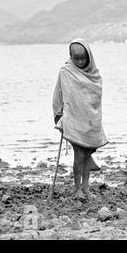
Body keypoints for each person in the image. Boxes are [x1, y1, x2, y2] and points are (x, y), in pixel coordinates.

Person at [52, 38, 108, 199]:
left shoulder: (94, 75)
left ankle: (86, 187)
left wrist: (92, 114)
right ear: (70, 56)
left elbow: (95, 95)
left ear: (89, 57)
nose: (80, 61)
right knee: (79, 155)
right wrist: (59, 114)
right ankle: (77, 189)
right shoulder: (65, 71)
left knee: (87, 154)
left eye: (83, 58)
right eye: (76, 58)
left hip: (89, 119)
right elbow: (58, 94)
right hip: (73, 119)